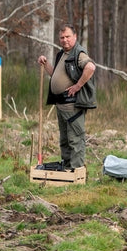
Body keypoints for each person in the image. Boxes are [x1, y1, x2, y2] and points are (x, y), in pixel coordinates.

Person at [36, 24, 96, 173]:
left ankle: (76, 172)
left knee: (75, 139)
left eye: (68, 37)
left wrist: (78, 86)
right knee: (64, 140)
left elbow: (90, 68)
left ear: (75, 37)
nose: (65, 40)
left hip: (73, 106)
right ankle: (67, 169)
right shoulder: (62, 54)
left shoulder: (78, 54)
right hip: (61, 105)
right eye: (62, 37)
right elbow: (56, 74)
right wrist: (46, 64)